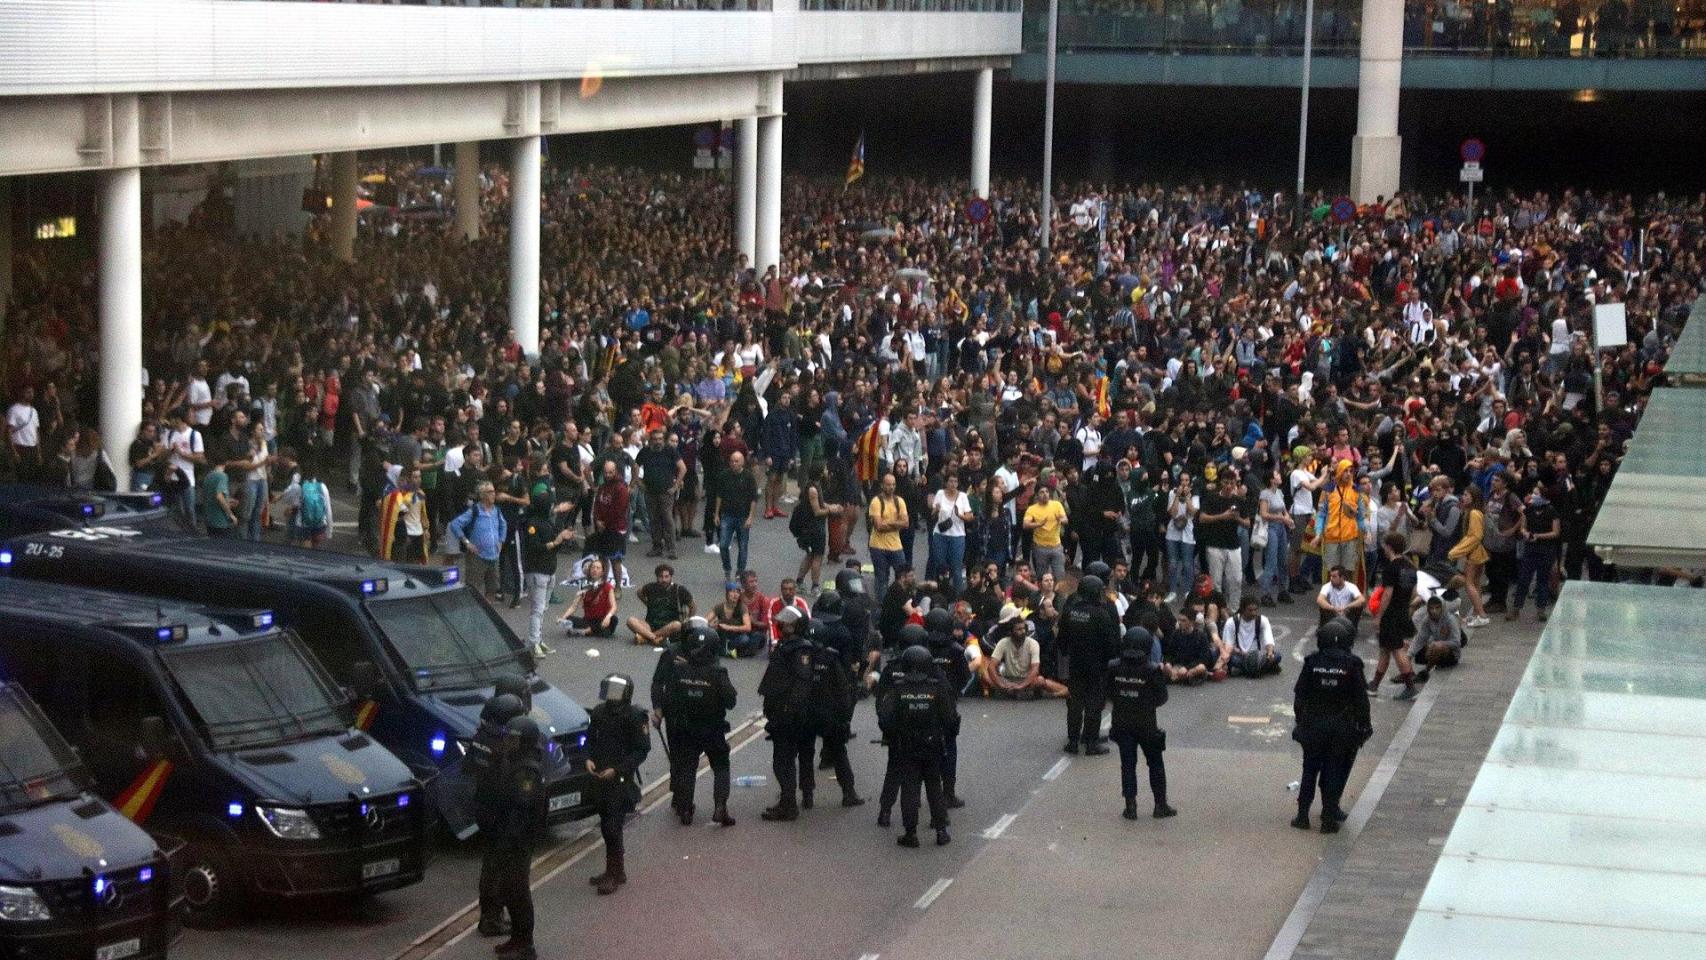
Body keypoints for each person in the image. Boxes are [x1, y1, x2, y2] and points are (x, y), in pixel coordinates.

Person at [652, 624, 738, 827]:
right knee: (720, 765)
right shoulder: (718, 672)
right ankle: (720, 806)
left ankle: (685, 809)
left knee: (687, 766)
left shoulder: (681, 670)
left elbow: (669, 697)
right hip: (712, 728)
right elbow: (731, 701)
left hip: (686, 727)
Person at [1291, 618, 1371, 833]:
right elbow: (1361, 699)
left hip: (1313, 725)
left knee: (1309, 770)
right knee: (1334, 770)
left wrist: (1301, 721)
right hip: (1340, 727)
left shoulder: (1312, 663)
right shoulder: (1352, 664)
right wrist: (1365, 726)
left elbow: (1300, 696)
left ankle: (1302, 816)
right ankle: (1328, 818)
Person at [876, 644, 957, 848]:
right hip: (932, 746)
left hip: (906, 746)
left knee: (910, 789)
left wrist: (895, 734)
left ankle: (910, 833)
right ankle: (941, 831)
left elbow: (885, 718)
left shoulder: (899, 688)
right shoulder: (936, 687)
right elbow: (949, 718)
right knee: (934, 788)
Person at [486, 714, 546, 959]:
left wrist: (509, 839)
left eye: (513, 739)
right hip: (508, 838)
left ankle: (525, 943)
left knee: (518, 890)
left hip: (518, 841)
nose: (508, 743)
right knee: (509, 889)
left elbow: (521, 809)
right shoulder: (514, 762)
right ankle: (516, 938)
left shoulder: (527, 771)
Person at [584, 674, 650, 896]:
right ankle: (615, 869)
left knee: (613, 826)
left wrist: (619, 769)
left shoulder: (634, 716)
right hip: (601, 777)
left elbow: (641, 750)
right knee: (606, 824)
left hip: (620, 780)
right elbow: (590, 740)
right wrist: (589, 758)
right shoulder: (599, 713)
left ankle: (613, 873)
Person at [468, 692, 527, 940]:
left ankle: (491, 914)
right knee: (500, 867)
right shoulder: (503, 745)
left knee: (491, 863)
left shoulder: (481, 738)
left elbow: (468, 768)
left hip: (484, 808)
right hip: (501, 812)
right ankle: (491, 919)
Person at [757, 606, 822, 821]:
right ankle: (787, 801)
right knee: (781, 760)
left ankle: (789, 804)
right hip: (782, 711)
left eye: (789, 624)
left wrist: (789, 708)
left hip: (790, 715)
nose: (783, 626)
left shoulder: (801, 649)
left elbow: (802, 682)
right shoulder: (787, 645)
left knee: (783, 761)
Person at [1105, 626, 1176, 821]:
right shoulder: (1152, 670)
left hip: (1122, 722)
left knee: (1127, 765)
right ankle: (1160, 805)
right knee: (1155, 763)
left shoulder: (1113, 666)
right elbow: (1162, 698)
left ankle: (1130, 806)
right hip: (1146, 723)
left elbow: (1108, 692)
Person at [1057, 575, 1118, 755]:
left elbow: (1062, 640)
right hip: (1096, 666)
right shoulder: (1101, 614)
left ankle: (1073, 741)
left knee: (1075, 703)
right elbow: (1110, 644)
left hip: (1076, 664)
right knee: (1094, 703)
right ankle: (1091, 742)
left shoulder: (1071, 612)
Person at [923, 607, 969, 809]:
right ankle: (948, 793)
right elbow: (965, 676)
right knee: (949, 748)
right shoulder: (955, 650)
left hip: (923, 703)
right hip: (947, 706)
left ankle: (916, 795)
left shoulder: (921, 648)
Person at [1372, 532, 1421, 701]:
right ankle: (1374, 685)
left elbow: (1387, 594)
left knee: (1397, 649)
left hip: (1391, 614)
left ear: (1389, 547)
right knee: (1385, 649)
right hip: (1403, 611)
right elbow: (1415, 593)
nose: (1383, 549)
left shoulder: (1391, 568)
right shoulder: (1411, 568)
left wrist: (1379, 616)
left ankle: (1410, 687)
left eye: (1385, 546)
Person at [980, 606, 1068, 698]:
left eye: (1023, 629)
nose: (1022, 631)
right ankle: (1008, 691)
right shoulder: (1001, 640)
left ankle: (1052, 693)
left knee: (1040, 680)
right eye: (1018, 629)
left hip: (1026, 677)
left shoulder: (1031, 640)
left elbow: (1035, 669)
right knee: (985, 664)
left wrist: (1021, 685)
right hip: (1006, 676)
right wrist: (1002, 684)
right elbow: (991, 662)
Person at [635, 428, 685, 561]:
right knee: (654, 519)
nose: (657, 442)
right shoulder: (645, 451)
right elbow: (635, 466)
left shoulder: (670, 451)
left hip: (666, 491)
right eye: (655, 439)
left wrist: (675, 486)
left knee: (668, 519)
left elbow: (682, 468)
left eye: (660, 439)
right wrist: (638, 482)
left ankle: (671, 548)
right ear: (650, 440)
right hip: (650, 491)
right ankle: (657, 546)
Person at [713, 450, 759, 580]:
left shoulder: (748, 477)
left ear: (742, 462)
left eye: (737, 461)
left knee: (743, 545)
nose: (734, 463)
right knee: (723, 545)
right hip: (727, 515)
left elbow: (753, 498)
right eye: (732, 461)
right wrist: (716, 514)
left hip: (743, 516)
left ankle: (740, 571)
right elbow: (719, 496)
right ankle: (727, 568)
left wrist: (751, 517)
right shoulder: (724, 476)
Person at [626, 563, 693, 647]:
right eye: (661, 577)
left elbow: (692, 606)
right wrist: (647, 603)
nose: (664, 579)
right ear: (657, 577)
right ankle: (654, 638)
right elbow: (639, 592)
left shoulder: (679, 590)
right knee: (630, 620)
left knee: (677, 625)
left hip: (669, 626)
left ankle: (645, 637)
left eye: (666, 576)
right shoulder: (650, 587)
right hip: (650, 625)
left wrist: (688, 619)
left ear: (671, 577)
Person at [867, 472, 910, 600]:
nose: (891, 487)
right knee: (881, 578)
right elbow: (878, 527)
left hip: (896, 545)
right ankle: (881, 606)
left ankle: (901, 602)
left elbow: (906, 523)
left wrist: (889, 523)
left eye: (893, 485)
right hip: (878, 546)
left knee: (903, 576)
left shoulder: (899, 501)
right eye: (888, 484)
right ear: (882, 485)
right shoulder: (876, 502)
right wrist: (898, 524)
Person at [1221, 596, 1281, 677]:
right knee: (1232, 659)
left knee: (1277, 656)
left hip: (1258, 656)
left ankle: (1250, 669)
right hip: (1240, 656)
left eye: (1255, 610)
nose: (1253, 613)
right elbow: (1228, 645)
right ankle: (1260, 669)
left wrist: (1270, 653)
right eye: (1250, 610)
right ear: (1242, 610)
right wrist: (1241, 653)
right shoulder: (1231, 622)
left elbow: (1268, 639)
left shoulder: (1263, 620)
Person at [559, 557, 618, 638]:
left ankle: (586, 631)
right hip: (588, 621)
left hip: (603, 620)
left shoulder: (608, 586)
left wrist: (608, 617)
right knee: (569, 619)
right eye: (593, 567)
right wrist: (562, 618)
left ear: (602, 572)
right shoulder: (584, 586)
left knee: (614, 619)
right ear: (589, 571)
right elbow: (573, 607)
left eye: (598, 568)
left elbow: (614, 606)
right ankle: (591, 631)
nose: (595, 570)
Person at [1410, 595, 1464, 681]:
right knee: (1407, 645)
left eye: (1437, 608)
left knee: (1437, 646)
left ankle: (1426, 671)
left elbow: (1457, 642)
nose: (1434, 611)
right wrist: (1409, 655)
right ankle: (1407, 673)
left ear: (1442, 608)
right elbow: (1420, 639)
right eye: (1431, 608)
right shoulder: (1427, 620)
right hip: (1433, 648)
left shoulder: (1450, 619)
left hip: (1451, 654)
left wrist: (1441, 643)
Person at [1023, 482, 1068, 582]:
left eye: (1047, 492)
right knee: (1042, 577)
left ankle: (1058, 596)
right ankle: (1042, 596)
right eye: (1042, 492)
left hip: (1056, 546)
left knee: (1060, 575)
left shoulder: (1057, 505)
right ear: (1037, 495)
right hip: (1040, 548)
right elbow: (1025, 525)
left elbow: (1065, 519)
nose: (1045, 494)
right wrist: (1038, 524)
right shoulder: (1032, 509)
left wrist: (1060, 520)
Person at [1315, 565, 1366, 631]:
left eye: (1334, 577)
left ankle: (1353, 628)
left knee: (1359, 606)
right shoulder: (1327, 586)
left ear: (1342, 577)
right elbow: (1319, 599)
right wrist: (1333, 608)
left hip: (1346, 613)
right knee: (1323, 606)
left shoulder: (1351, 586)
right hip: (1333, 613)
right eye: (1331, 576)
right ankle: (1323, 627)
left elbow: (1362, 600)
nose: (1331, 578)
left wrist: (1347, 607)